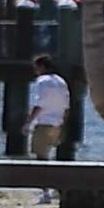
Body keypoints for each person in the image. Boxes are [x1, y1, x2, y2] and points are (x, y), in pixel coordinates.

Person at [23, 54, 71, 199]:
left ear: (42, 67)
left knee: (41, 159)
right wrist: (62, 124)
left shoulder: (42, 81)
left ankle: (45, 192)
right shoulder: (61, 81)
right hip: (57, 124)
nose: (35, 70)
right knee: (53, 158)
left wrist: (28, 122)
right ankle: (57, 188)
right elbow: (66, 107)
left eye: (36, 67)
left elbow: (39, 104)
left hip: (43, 123)